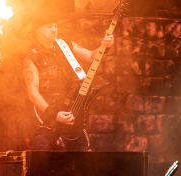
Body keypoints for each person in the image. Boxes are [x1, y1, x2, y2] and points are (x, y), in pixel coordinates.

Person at [21, 14, 113, 151]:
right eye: (48, 27)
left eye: (55, 26)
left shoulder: (65, 45)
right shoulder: (31, 56)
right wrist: (54, 115)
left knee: (79, 164)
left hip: (71, 116)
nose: (53, 30)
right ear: (37, 30)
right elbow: (32, 93)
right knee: (43, 165)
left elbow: (90, 56)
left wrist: (105, 46)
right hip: (46, 121)